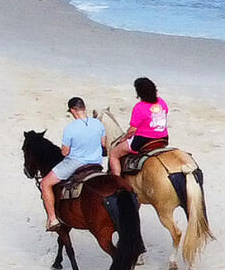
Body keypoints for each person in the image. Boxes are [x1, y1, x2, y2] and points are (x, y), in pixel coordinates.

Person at [37, 96, 106, 232]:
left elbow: (64, 152)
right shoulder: (98, 124)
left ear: (73, 110)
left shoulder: (71, 128)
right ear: (84, 108)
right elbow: (103, 144)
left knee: (45, 183)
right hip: (97, 162)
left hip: (76, 163)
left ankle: (52, 219)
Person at [108, 76, 170, 174]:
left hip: (143, 139)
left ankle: (117, 182)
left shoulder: (139, 107)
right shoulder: (161, 102)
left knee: (114, 154)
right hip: (163, 137)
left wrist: (124, 138)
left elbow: (133, 129)